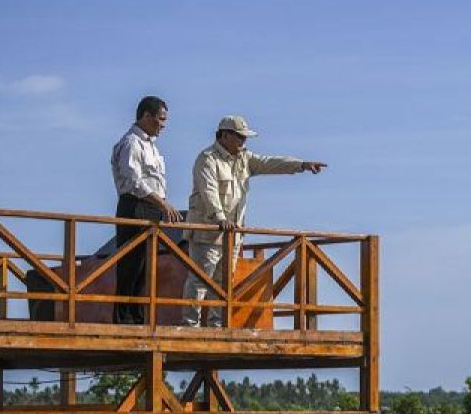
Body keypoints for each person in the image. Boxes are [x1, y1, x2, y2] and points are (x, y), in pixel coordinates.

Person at [182, 115, 327, 327]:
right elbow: (209, 192)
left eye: (244, 138)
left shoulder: (245, 159)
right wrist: (221, 218)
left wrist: (301, 165)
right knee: (199, 281)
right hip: (208, 231)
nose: (243, 142)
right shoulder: (207, 158)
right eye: (239, 137)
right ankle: (190, 325)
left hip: (232, 235)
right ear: (224, 135)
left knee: (223, 284)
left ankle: (216, 325)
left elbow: (270, 163)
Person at [111, 96, 181, 325]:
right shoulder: (132, 142)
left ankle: (138, 315)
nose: (163, 124)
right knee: (131, 263)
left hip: (151, 208)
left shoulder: (151, 145)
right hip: (136, 206)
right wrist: (162, 203)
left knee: (145, 266)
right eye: (160, 119)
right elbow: (134, 182)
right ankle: (123, 318)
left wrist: (161, 204)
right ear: (146, 116)